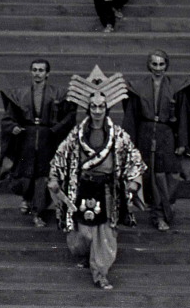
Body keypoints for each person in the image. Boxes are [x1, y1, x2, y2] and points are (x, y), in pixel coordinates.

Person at [48, 69, 146, 291]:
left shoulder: (118, 135)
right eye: (94, 107)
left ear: (107, 108)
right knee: (82, 233)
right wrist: (54, 177)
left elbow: (134, 159)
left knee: (105, 234)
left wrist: (133, 181)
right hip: (82, 188)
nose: (98, 111)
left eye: (102, 107)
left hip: (108, 189)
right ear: (88, 108)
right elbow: (61, 156)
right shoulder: (76, 135)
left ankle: (100, 272)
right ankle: (85, 254)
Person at [122, 50, 190, 232]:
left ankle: (163, 211)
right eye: (154, 64)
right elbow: (131, 116)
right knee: (148, 174)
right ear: (149, 66)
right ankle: (157, 214)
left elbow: (182, 115)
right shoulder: (139, 88)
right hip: (145, 133)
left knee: (167, 175)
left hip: (166, 134)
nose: (158, 68)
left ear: (166, 65)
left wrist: (182, 143)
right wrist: (128, 142)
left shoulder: (175, 88)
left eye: (161, 64)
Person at [0, 58, 78, 227]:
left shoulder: (57, 94)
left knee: (42, 176)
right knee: (25, 174)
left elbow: (70, 115)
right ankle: (26, 199)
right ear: (30, 72)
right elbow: (8, 118)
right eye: (34, 70)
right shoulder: (21, 94)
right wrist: (14, 127)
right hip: (27, 138)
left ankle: (38, 212)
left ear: (47, 73)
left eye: (41, 70)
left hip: (48, 139)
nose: (37, 73)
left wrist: (56, 130)